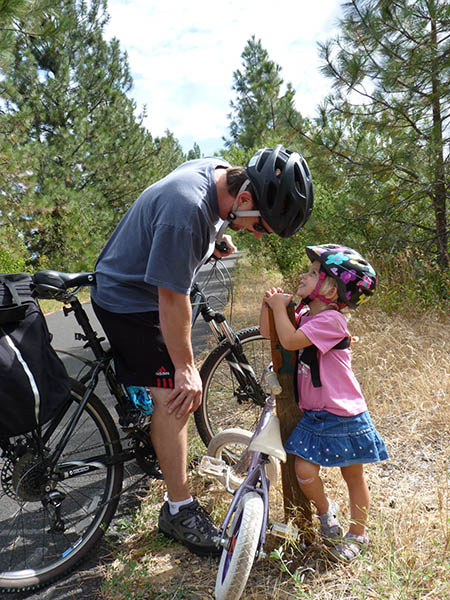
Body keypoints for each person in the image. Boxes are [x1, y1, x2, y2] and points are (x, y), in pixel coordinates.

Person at [90, 145, 314, 556]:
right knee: (177, 397)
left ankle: (152, 423)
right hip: (129, 298)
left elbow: (203, 222)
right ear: (244, 198)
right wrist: (185, 368)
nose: (258, 235)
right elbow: (171, 299)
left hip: (137, 282)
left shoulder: (217, 171)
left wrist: (216, 240)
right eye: (261, 226)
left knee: (172, 379)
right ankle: (178, 509)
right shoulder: (187, 210)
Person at [260, 244, 389, 562]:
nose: (305, 274)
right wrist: (271, 306)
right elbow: (271, 334)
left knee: (353, 475)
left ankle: (358, 533)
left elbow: (290, 340)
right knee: (304, 470)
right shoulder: (304, 314)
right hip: (317, 413)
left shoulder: (332, 321)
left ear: (332, 289)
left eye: (315, 272)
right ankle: (326, 510)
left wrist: (280, 309)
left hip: (344, 413)